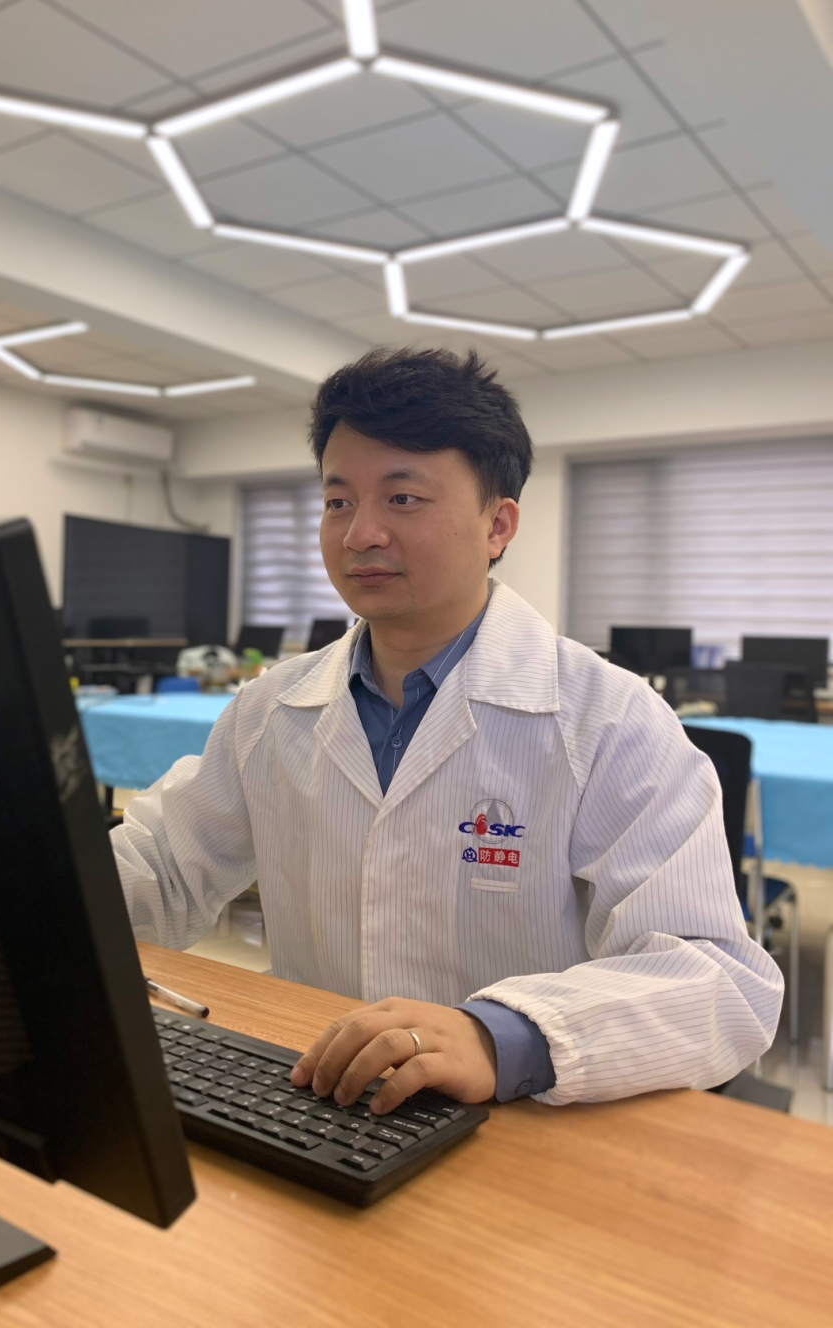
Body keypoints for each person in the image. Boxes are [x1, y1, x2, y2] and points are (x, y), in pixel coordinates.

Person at [112, 347, 782, 1114]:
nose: (360, 533)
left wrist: (498, 1036)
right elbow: (161, 874)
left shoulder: (609, 718)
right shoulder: (272, 710)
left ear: (498, 524)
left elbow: (719, 977)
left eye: (402, 498)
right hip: (313, 1099)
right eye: (338, 501)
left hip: (516, 1120)